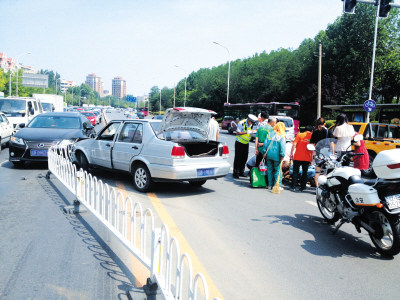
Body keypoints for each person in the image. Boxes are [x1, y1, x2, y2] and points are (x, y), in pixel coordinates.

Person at [261, 118, 286, 190]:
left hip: (269, 155)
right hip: (277, 156)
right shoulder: (282, 135)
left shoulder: (270, 134)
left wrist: (264, 152)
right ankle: (277, 185)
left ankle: (269, 185)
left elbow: (265, 144)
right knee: (277, 171)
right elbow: (282, 146)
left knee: (269, 170)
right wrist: (282, 155)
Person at [233, 114, 258, 179]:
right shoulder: (241, 123)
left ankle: (241, 172)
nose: (251, 124)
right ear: (248, 119)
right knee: (238, 158)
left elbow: (250, 132)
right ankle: (236, 173)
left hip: (246, 143)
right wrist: (246, 132)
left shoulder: (251, 124)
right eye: (251, 122)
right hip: (239, 142)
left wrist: (252, 132)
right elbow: (237, 132)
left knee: (244, 158)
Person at [289, 125, 314, 192]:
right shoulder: (312, 136)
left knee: (295, 172)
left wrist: (291, 153)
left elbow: (294, 144)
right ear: (311, 130)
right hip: (307, 157)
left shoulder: (299, 135)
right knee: (305, 172)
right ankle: (303, 187)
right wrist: (312, 159)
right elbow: (313, 149)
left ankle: (293, 187)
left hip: (297, 156)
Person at [310, 117, 333, 186]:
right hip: (327, 151)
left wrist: (312, 154)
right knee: (327, 169)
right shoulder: (328, 131)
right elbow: (332, 143)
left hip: (318, 152)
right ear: (325, 123)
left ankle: (317, 186)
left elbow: (311, 144)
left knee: (318, 169)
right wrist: (333, 152)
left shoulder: (315, 132)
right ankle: (326, 185)